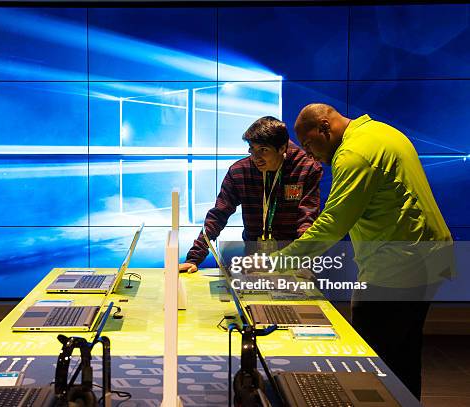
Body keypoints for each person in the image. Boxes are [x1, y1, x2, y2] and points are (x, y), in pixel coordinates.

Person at [283, 103, 452, 399]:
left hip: (399, 265)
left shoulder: (353, 154)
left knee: (371, 361)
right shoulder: (381, 132)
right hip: (431, 255)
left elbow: (333, 224)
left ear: (325, 127)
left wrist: (271, 263)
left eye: (309, 144)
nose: (309, 154)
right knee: (403, 356)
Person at [179, 116, 322, 273]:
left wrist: (303, 261)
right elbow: (218, 215)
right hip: (254, 260)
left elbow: (307, 219)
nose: (256, 158)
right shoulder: (240, 171)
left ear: (282, 148)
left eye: (263, 150)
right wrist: (194, 258)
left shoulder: (306, 168)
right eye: (252, 150)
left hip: (292, 259)